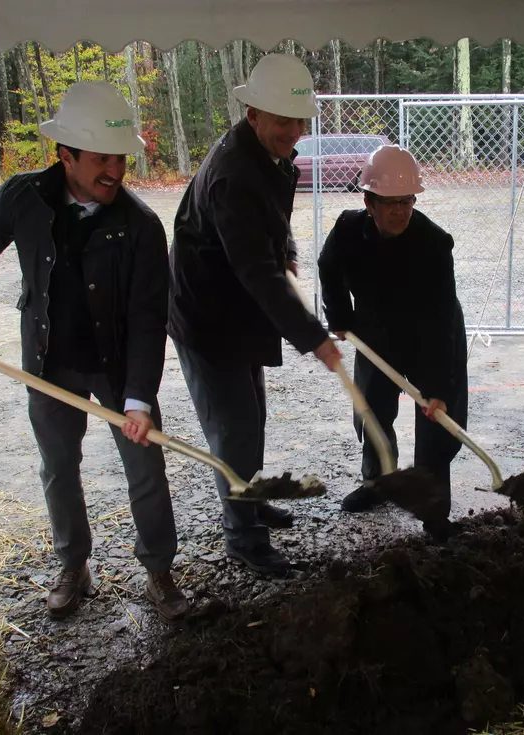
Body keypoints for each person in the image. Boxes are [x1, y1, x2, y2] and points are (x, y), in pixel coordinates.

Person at [0, 81, 188, 622]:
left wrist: (140, 398)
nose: (115, 171)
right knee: (58, 465)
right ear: (65, 155)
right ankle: (74, 564)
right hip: (49, 361)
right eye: (101, 159)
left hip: (118, 367)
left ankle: (159, 571)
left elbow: (149, 318)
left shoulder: (141, 225)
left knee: (145, 469)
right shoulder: (21, 198)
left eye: (120, 158)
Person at [168, 54, 341, 576]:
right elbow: (255, 272)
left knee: (253, 418)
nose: (293, 131)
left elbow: (272, 225)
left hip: (238, 304)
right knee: (234, 428)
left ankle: (249, 500)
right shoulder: (235, 173)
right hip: (209, 314)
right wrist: (314, 337)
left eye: (299, 121)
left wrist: (285, 244)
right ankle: (242, 536)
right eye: (282, 120)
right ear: (253, 115)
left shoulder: (267, 155)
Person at [317, 145, 468, 531]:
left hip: (431, 336)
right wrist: (340, 317)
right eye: (390, 202)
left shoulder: (434, 244)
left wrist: (437, 387)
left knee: (437, 424)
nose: (400, 211)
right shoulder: (348, 230)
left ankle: (433, 513)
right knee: (372, 412)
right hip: (376, 333)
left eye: (407, 201)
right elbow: (327, 267)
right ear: (369, 201)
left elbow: (439, 321)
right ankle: (379, 483)